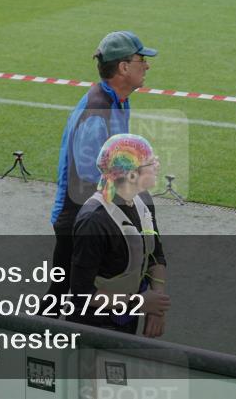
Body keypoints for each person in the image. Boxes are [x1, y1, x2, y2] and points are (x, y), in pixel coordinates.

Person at [47, 31, 156, 301]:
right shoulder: (98, 111)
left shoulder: (119, 101)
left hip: (96, 212)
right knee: (72, 294)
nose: (147, 66)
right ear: (123, 67)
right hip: (81, 218)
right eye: (141, 60)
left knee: (70, 292)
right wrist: (137, 178)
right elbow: (91, 174)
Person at [69, 134, 169, 337]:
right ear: (131, 175)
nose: (157, 165)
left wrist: (156, 304)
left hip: (126, 319)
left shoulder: (143, 200)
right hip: (93, 328)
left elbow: (154, 254)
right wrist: (138, 302)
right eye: (151, 162)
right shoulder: (94, 222)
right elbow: (82, 295)